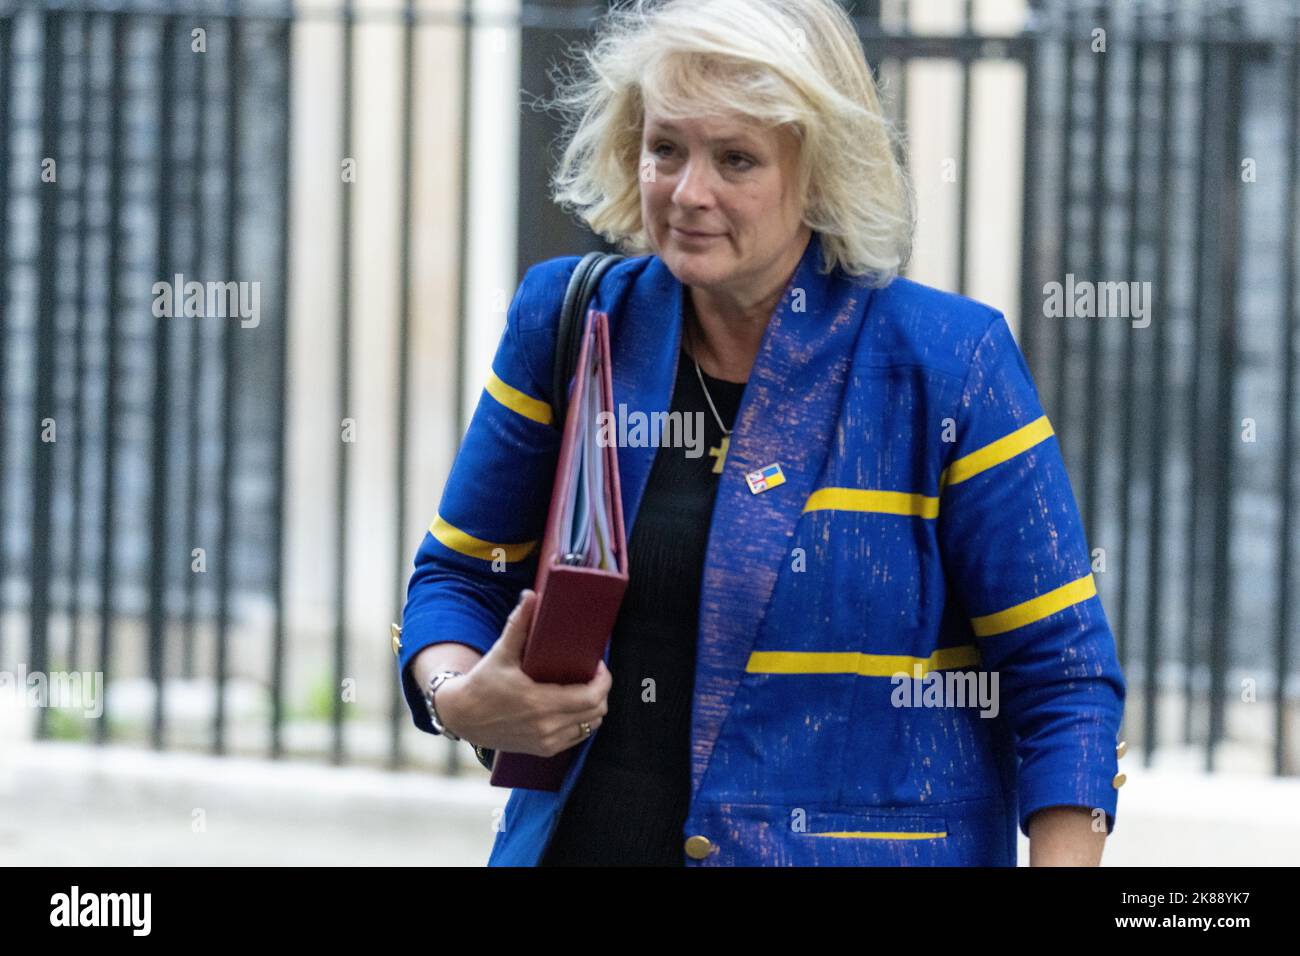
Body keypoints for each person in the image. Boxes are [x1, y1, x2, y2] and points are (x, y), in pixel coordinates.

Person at [395, 0, 1127, 866]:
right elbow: (456, 574)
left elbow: (1062, 677)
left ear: (819, 172)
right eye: (665, 148)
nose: (688, 191)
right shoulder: (572, 320)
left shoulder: (948, 363)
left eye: (736, 158)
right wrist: (456, 694)